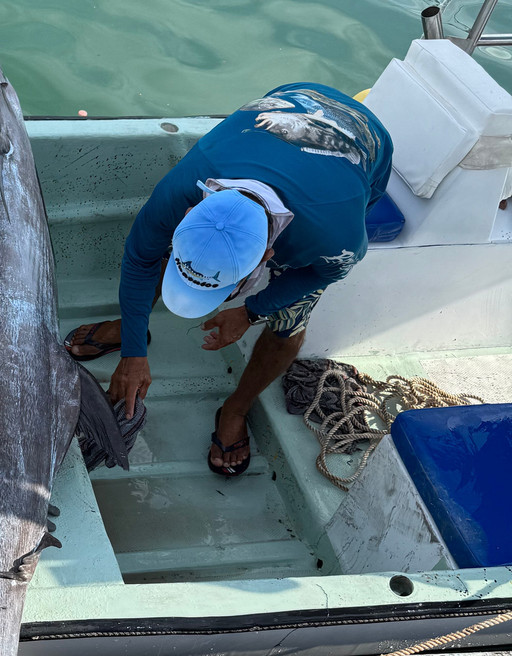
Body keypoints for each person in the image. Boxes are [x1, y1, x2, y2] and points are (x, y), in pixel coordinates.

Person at [65, 82, 392, 477]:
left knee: (290, 322)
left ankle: (236, 408)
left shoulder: (334, 241)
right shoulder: (180, 191)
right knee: (162, 256)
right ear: (191, 213)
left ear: (267, 258)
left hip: (367, 147)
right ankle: (128, 328)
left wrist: (252, 310)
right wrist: (134, 352)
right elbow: (140, 260)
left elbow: (323, 275)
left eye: (222, 289)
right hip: (292, 98)